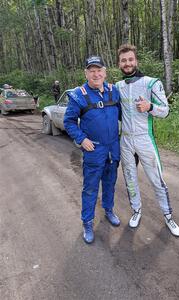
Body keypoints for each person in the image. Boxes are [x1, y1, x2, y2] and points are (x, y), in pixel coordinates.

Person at [116, 44, 179, 237]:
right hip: (125, 141)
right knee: (130, 179)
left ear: (136, 61)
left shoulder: (152, 83)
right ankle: (137, 210)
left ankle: (168, 216)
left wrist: (150, 106)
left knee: (157, 180)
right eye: (123, 60)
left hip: (145, 139)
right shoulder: (117, 87)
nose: (127, 63)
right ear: (119, 64)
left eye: (130, 59)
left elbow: (165, 111)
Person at [64, 56, 121, 244]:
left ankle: (109, 210)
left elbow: (125, 116)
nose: (96, 74)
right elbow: (69, 122)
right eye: (92, 70)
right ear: (86, 73)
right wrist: (82, 139)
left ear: (105, 72)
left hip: (113, 148)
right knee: (90, 188)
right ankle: (87, 222)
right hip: (94, 149)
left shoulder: (114, 92)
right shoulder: (78, 95)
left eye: (99, 70)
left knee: (110, 183)